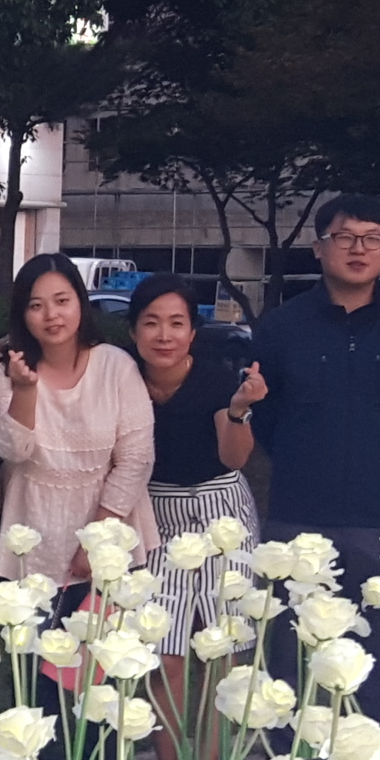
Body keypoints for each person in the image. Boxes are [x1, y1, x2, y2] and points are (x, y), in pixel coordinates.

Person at [249, 193, 380, 592]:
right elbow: (263, 418)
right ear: (318, 248)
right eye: (345, 237)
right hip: (299, 517)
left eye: (372, 238)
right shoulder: (282, 327)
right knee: (294, 630)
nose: (358, 249)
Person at [0, 254, 159, 591]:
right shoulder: (6, 370)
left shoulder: (116, 366)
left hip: (109, 533)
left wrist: (95, 542)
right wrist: (25, 390)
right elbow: (13, 450)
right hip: (33, 536)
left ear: (80, 301)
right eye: (36, 305)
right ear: (22, 313)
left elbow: (136, 459)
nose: (51, 315)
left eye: (62, 301)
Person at [132, 276, 264, 655]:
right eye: (151, 322)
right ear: (134, 330)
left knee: (222, 642)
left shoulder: (215, 379)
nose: (164, 336)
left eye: (176, 323)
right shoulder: (122, 376)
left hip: (220, 512)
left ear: (192, 333)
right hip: (154, 514)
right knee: (162, 646)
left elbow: (234, 458)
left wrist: (239, 410)